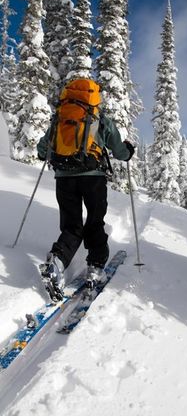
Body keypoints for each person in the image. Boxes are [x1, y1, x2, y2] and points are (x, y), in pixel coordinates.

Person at [37, 78, 134, 301]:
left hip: (64, 178)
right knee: (95, 220)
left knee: (72, 225)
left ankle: (57, 262)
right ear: (94, 95)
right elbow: (119, 151)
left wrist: (48, 153)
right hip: (93, 178)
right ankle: (95, 266)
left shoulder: (61, 116)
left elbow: (43, 149)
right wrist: (128, 152)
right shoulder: (99, 118)